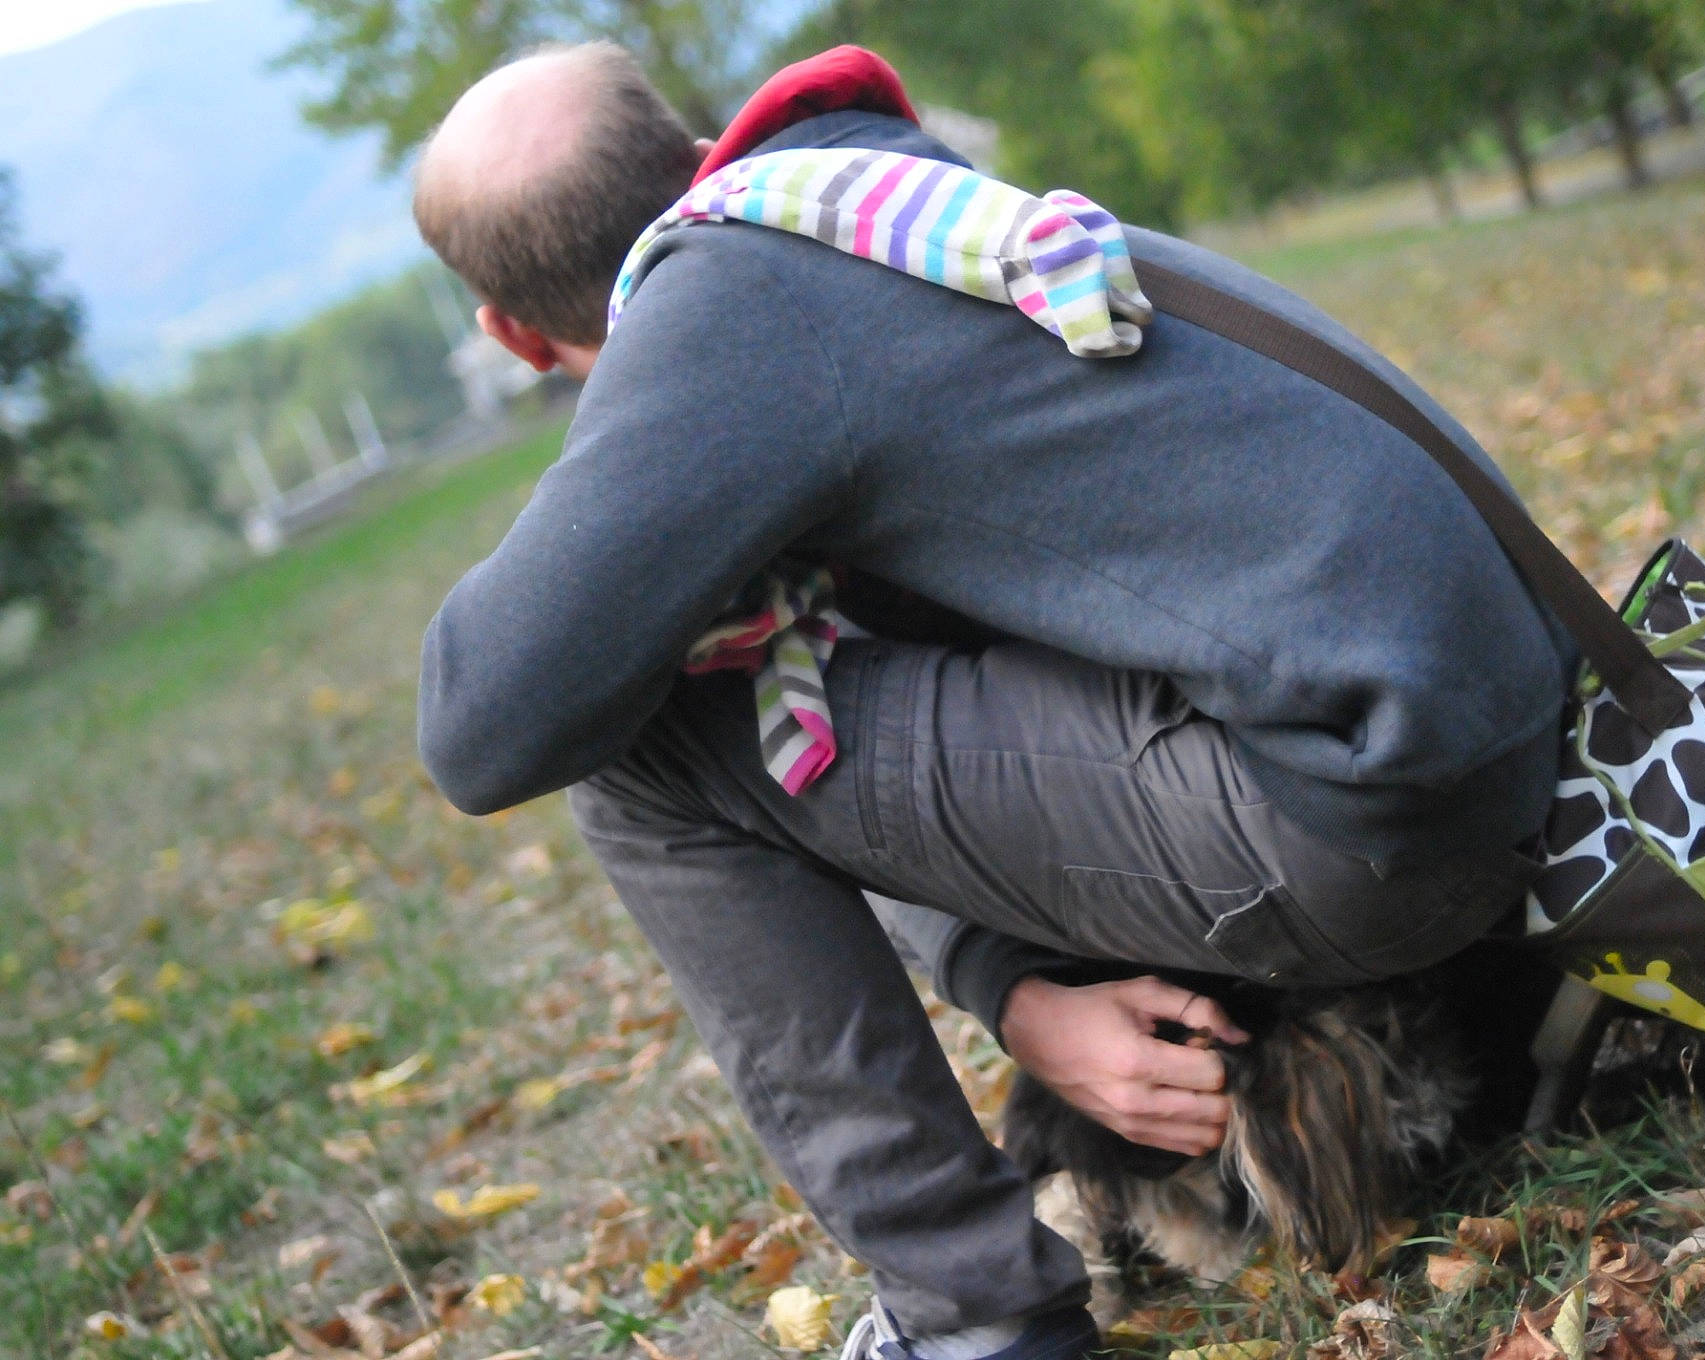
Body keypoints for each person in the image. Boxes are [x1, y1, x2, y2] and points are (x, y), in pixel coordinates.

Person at [410, 40, 1572, 1360]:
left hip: (1377, 817)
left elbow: (480, 723)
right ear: (691, 153)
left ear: (513, 337)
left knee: (643, 748)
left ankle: (973, 1322)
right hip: (1507, 755)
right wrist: (1012, 988)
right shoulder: (863, 200)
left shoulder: (729, 303)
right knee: (775, 658)